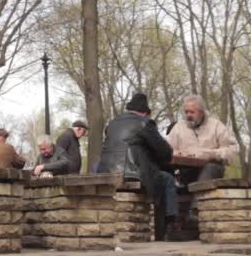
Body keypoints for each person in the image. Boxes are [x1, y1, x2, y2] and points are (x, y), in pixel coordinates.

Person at [98, 93, 179, 241]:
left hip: (107, 172)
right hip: (133, 173)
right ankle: (170, 225)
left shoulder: (112, 124)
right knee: (167, 179)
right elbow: (165, 152)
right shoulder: (144, 123)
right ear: (145, 112)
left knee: (160, 176)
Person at [167, 94, 238, 182]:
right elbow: (168, 150)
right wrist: (180, 154)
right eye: (186, 112)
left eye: (192, 112)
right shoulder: (178, 128)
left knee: (207, 173)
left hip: (211, 167)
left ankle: (201, 192)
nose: (188, 115)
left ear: (201, 112)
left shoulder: (216, 126)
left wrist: (211, 154)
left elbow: (231, 149)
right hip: (186, 169)